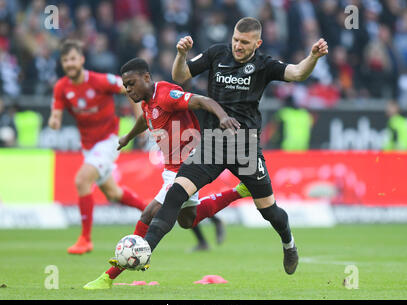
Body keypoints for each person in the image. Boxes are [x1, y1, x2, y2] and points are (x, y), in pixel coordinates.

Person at [141, 17, 328, 275]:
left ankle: (289, 244)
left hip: (245, 148)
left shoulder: (265, 65)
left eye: (245, 42)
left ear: (257, 43)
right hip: (212, 144)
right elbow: (180, 75)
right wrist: (181, 54)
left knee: (270, 212)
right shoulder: (217, 53)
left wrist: (313, 57)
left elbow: (297, 72)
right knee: (175, 194)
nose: (238, 46)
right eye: (236, 40)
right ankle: (144, 251)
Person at [83, 58, 251, 290]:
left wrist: (222, 117)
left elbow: (203, 101)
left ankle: (109, 277)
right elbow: (145, 119)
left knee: (149, 214)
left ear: (147, 78)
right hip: (171, 168)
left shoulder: (166, 95)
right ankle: (239, 191)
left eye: (131, 83)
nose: (128, 89)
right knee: (187, 220)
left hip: (188, 165)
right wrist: (128, 137)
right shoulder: (147, 101)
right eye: (125, 85)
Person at [48, 40, 147, 255]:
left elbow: (131, 89)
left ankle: (85, 239)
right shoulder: (61, 87)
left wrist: (140, 118)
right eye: (65, 60)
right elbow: (55, 115)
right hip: (88, 146)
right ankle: (150, 211)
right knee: (113, 193)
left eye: (73, 59)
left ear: (82, 60)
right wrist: (54, 122)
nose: (69, 64)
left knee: (82, 180)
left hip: (109, 140)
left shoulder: (100, 81)